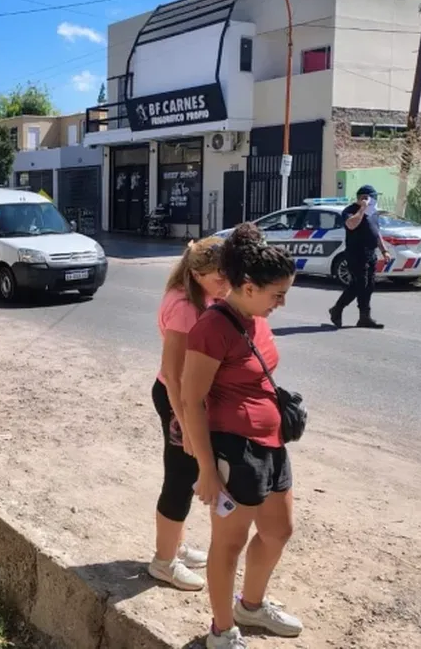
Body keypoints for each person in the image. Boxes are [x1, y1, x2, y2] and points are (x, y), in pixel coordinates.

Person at [181, 224, 301, 649]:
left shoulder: (256, 319)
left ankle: (251, 606)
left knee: (279, 531)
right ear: (248, 287)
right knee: (228, 544)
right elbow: (190, 399)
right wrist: (206, 468)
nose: (282, 303)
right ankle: (222, 630)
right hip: (235, 448)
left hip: (272, 446)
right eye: (277, 295)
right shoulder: (211, 329)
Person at [149, 237, 229, 591]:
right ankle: (164, 562)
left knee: (185, 474)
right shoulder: (184, 306)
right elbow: (173, 371)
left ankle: (175, 547)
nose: (225, 285)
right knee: (180, 478)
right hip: (176, 398)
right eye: (219, 278)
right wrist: (185, 423)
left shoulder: (198, 296)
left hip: (183, 398)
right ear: (197, 274)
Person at [329, 184, 390, 330]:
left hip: (370, 253)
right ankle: (338, 309)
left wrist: (384, 250)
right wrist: (362, 208)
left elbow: (376, 232)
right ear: (363, 198)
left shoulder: (373, 213)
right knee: (359, 285)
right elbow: (351, 225)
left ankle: (364, 317)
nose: (375, 200)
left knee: (369, 285)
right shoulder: (350, 211)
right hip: (356, 253)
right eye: (373, 197)